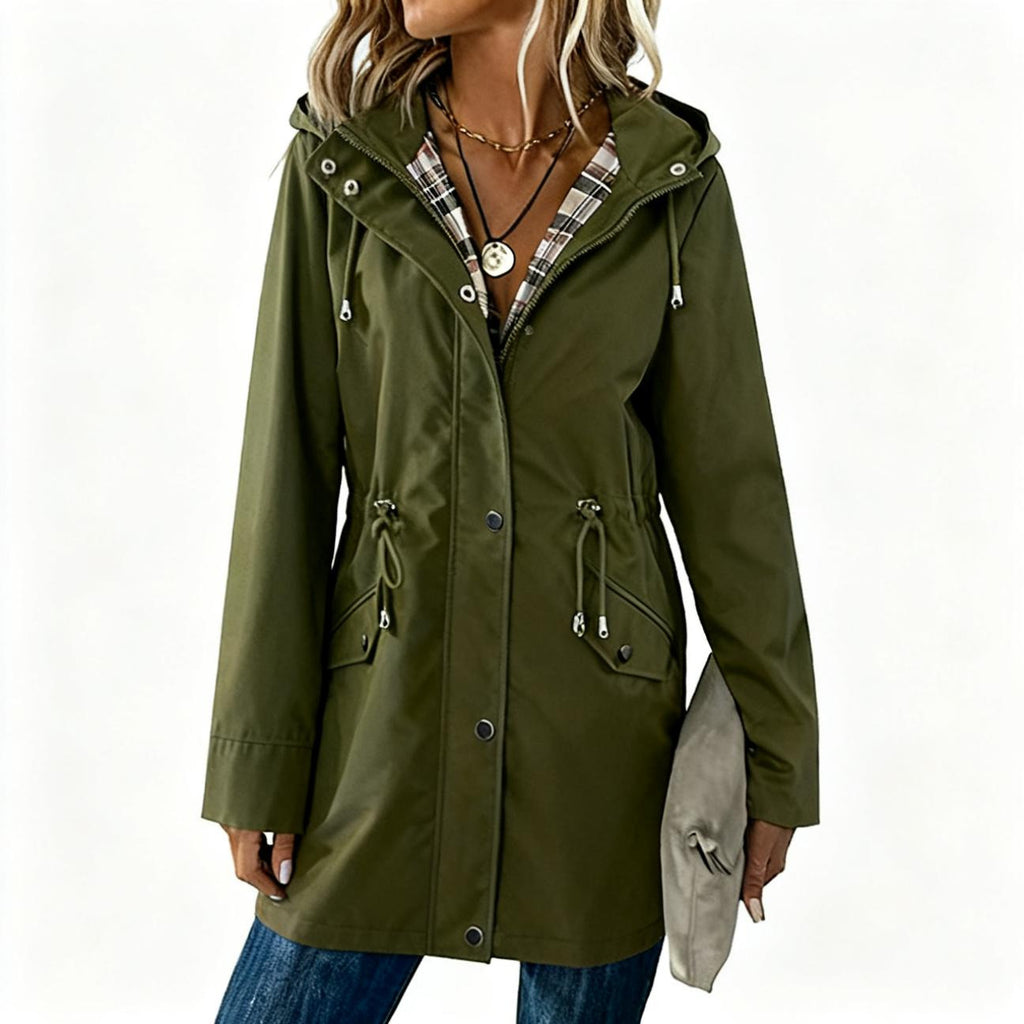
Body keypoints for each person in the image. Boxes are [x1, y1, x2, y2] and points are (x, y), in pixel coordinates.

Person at [202, 1, 821, 1021]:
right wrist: (257, 756)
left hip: (598, 742)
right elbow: (286, 473)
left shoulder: (666, 180)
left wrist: (778, 756)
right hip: (381, 720)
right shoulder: (343, 164)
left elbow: (733, 493)